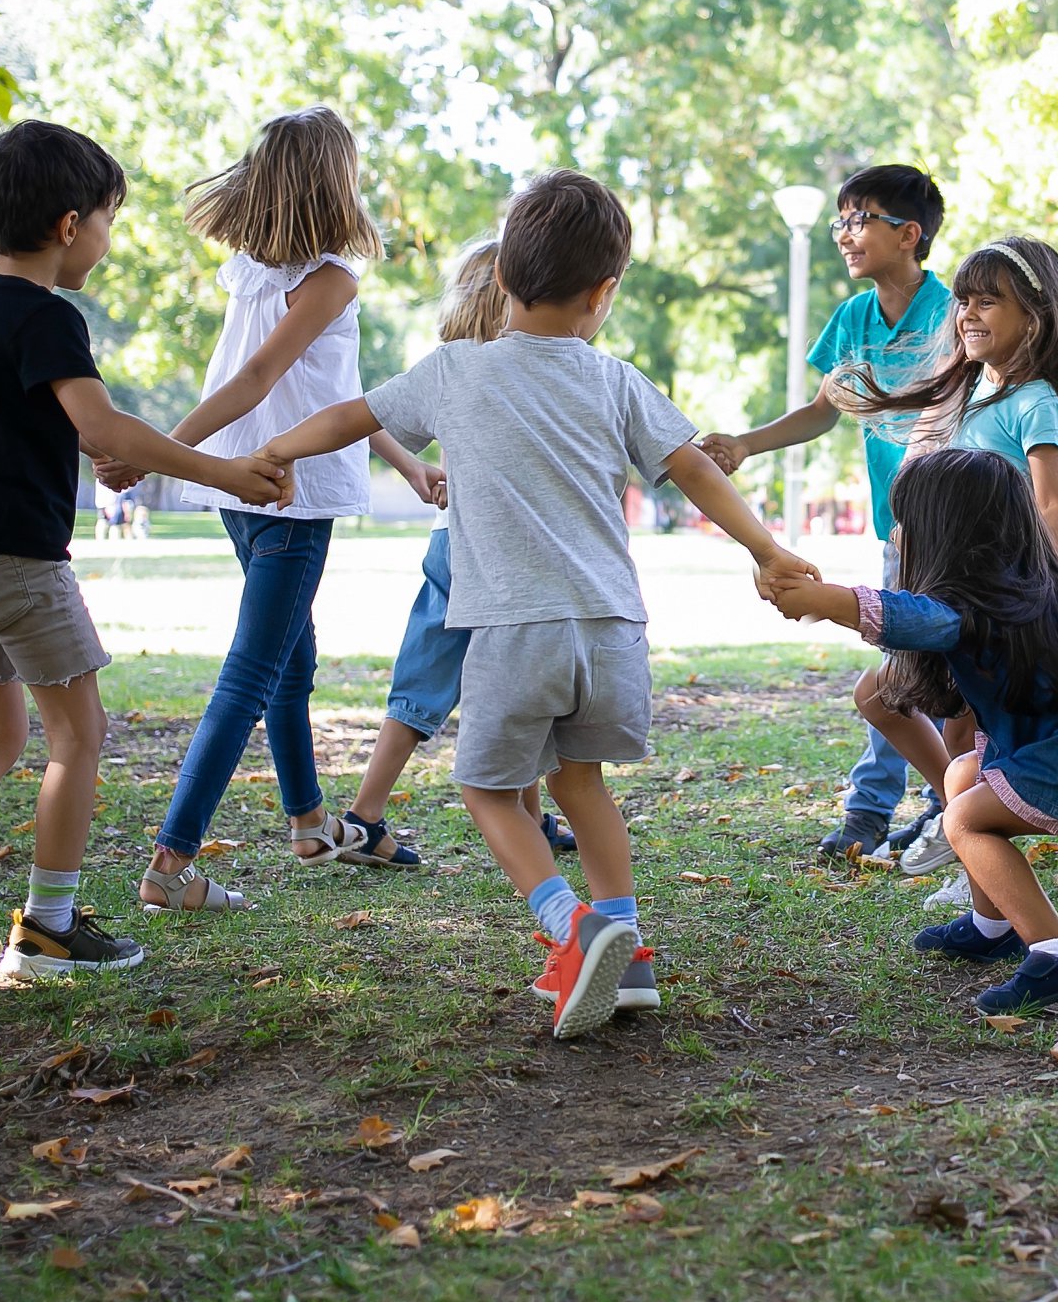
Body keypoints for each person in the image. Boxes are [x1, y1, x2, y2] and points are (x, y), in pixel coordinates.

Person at [259, 168, 817, 1038]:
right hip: (612, 631)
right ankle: (625, 952)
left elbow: (349, 416)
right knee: (581, 783)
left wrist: (278, 449)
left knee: (484, 786)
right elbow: (695, 466)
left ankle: (572, 925)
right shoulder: (614, 379)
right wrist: (767, 548)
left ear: (501, 281)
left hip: (515, 630)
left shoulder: (454, 370)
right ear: (604, 293)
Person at [0, 119, 289, 988]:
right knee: (77, 736)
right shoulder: (49, 318)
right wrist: (225, 471)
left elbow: (40, 429)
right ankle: (47, 928)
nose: (105, 236)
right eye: (106, 219)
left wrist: (97, 448)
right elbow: (101, 426)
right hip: (14, 565)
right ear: (69, 227)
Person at [99, 106, 443, 916]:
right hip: (289, 492)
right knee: (253, 672)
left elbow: (333, 392)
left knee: (293, 658)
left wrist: (404, 458)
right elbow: (256, 380)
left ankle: (308, 822)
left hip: (240, 489)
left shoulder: (254, 270)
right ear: (336, 181)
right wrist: (151, 448)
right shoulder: (327, 279)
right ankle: (170, 861)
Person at [768, 448, 1058, 1013]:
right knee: (964, 776)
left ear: (948, 534)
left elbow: (915, 616)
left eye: (906, 522)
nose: (896, 535)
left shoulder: (979, 604)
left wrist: (827, 600)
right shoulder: (1021, 590)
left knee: (964, 818)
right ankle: (991, 927)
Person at [837, 236, 1058, 901]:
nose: (967, 312)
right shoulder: (969, 393)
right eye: (962, 299)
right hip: (947, 597)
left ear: (1035, 315)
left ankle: (974, 864)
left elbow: (1050, 503)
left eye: (988, 300)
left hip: (999, 605)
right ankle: (953, 817)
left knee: (964, 729)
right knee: (880, 697)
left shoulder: (1036, 402)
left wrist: (1042, 595)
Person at [698, 164, 950, 862]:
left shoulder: (954, 313)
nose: (844, 234)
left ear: (908, 234)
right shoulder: (852, 319)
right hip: (895, 533)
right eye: (839, 220)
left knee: (911, 671)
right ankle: (927, 804)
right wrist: (745, 443)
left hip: (953, 533)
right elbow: (821, 410)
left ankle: (887, 810)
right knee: (902, 668)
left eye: (858, 218)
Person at [344, 239, 573, 873]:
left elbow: (368, 414)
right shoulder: (532, 366)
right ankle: (516, 816)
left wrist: (417, 467)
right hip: (501, 553)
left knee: (432, 677)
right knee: (518, 674)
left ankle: (368, 813)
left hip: (452, 542)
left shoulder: (452, 365)